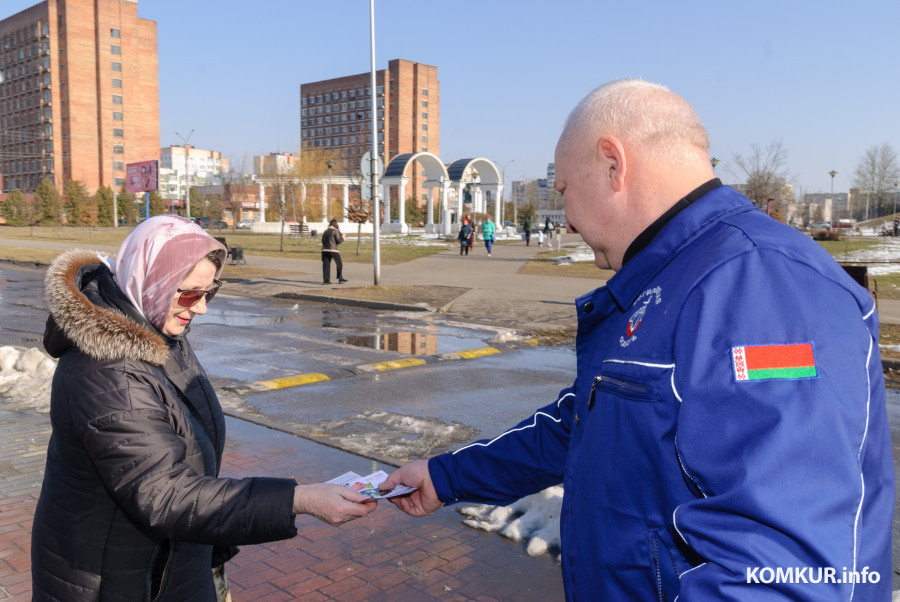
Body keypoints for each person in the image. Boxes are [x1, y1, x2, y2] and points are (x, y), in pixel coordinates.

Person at [380, 79, 894, 600]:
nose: (567, 216)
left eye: (562, 189)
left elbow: (785, 572)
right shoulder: (673, 278)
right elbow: (586, 421)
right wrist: (446, 477)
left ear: (612, 164)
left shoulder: (761, 285)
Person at [33, 216, 376, 601]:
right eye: (189, 293)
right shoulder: (109, 372)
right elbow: (164, 494)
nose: (201, 308)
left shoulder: (155, 328)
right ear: (152, 280)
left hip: (169, 564)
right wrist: (298, 500)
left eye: (210, 292)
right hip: (115, 582)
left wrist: (214, 548)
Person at [321, 218, 347, 284]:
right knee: (339, 263)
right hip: (333, 250)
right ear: (335, 224)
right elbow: (339, 241)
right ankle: (340, 278)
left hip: (324, 250)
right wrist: (343, 237)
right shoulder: (335, 231)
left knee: (326, 265)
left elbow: (322, 240)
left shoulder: (325, 231)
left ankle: (326, 280)